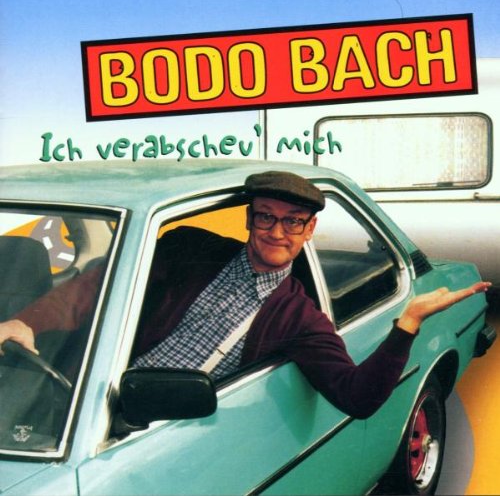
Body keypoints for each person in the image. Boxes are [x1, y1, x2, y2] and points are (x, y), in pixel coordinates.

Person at [0, 171, 490, 418]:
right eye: (266, 217)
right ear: (249, 220)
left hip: (153, 421)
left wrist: (408, 324)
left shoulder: (298, 317)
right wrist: (28, 321)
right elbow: (95, 287)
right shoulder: (188, 248)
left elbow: (356, 396)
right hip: (87, 395)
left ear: (309, 230)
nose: (277, 232)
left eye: (293, 222)